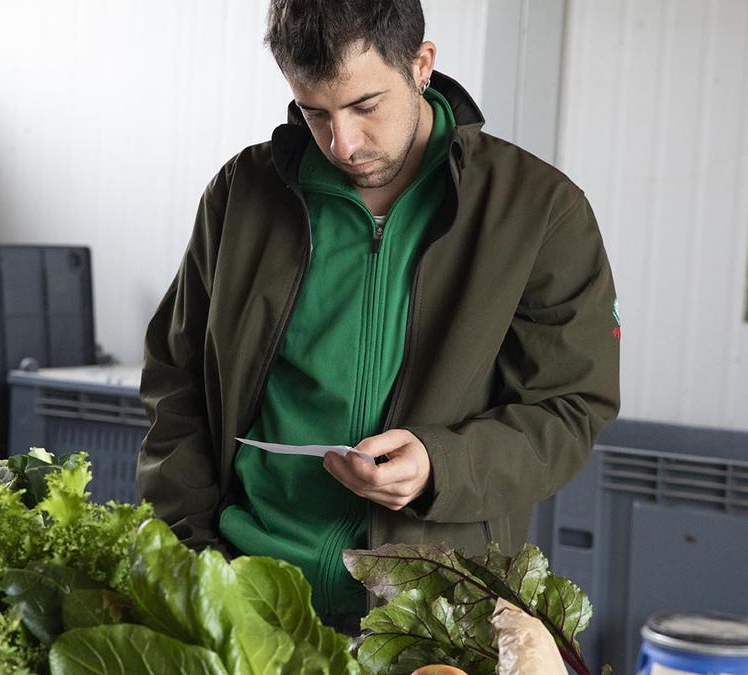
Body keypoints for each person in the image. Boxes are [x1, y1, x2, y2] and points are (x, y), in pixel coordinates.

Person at [137, 0, 620, 631]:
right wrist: (191, 557)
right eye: (314, 112)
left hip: (430, 615)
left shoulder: (539, 210)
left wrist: (443, 464)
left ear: (421, 64)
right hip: (241, 593)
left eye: (366, 106)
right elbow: (177, 384)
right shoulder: (241, 193)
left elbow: (570, 407)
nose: (343, 143)